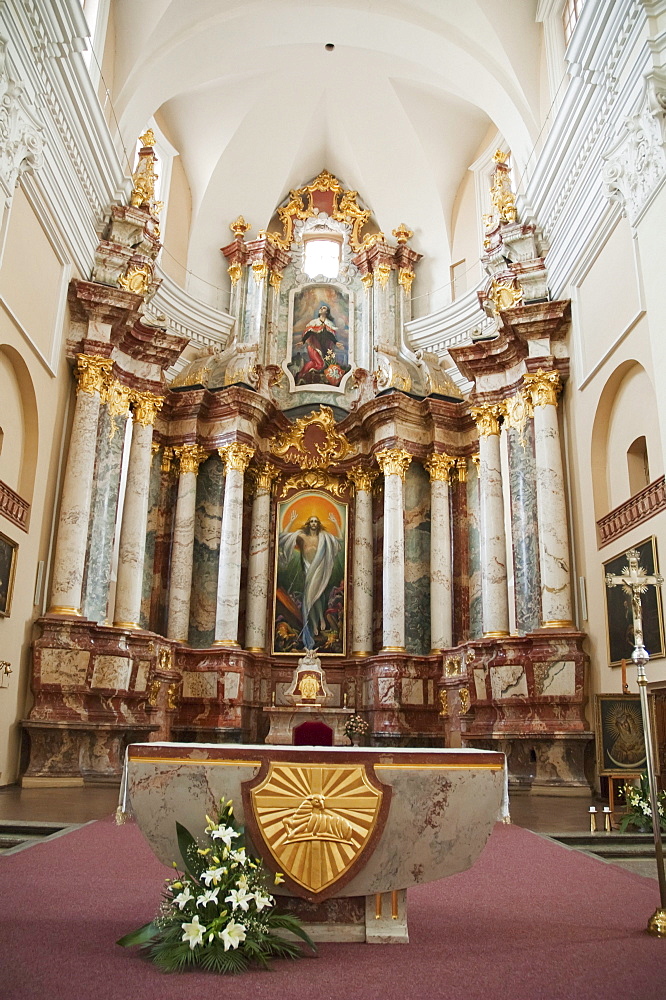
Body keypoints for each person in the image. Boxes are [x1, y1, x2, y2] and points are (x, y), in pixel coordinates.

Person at [278, 514, 341, 648]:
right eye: (311, 521)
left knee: (317, 594)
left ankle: (321, 619)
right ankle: (314, 623)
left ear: (318, 524)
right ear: (308, 523)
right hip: (308, 570)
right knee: (308, 598)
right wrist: (291, 522)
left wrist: (335, 523)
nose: (313, 523)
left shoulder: (324, 537)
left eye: (316, 521)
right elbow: (282, 538)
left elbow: (340, 541)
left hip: (319, 569)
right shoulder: (302, 537)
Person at [296, 304, 341, 382]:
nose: (321, 309)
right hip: (313, 345)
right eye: (321, 308)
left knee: (321, 365)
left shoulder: (329, 323)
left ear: (327, 312)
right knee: (319, 363)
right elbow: (309, 332)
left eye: (324, 308)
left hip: (324, 347)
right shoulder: (314, 322)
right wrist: (302, 341)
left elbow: (330, 334)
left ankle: (304, 375)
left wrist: (336, 342)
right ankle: (301, 375)